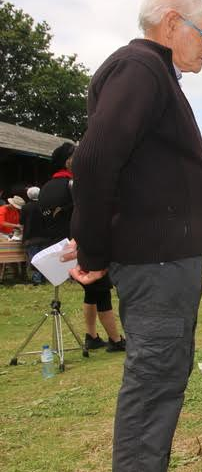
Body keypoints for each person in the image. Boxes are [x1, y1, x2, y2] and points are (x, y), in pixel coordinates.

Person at [63, 0, 202, 472]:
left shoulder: (155, 75)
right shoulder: (140, 68)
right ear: (172, 23)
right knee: (153, 382)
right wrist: (92, 250)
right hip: (155, 263)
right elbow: (93, 158)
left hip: (166, 260)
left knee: (166, 376)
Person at [39, 142, 126, 352]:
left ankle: (92, 336)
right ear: (68, 161)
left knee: (91, 293)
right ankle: (115, 340)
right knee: (102, 290)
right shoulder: (73, 185)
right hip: (79, 246)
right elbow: (88, 217)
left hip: (56, 252)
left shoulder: (45, 188)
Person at [20, 187, 46, 284]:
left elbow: (21, 221)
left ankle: (37, 279)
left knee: (34, 258)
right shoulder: (45, 206)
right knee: (43, 257)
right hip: (44, 236)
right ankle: (43, 277)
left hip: (30, 236)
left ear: (28, 195)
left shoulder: (25, 207)